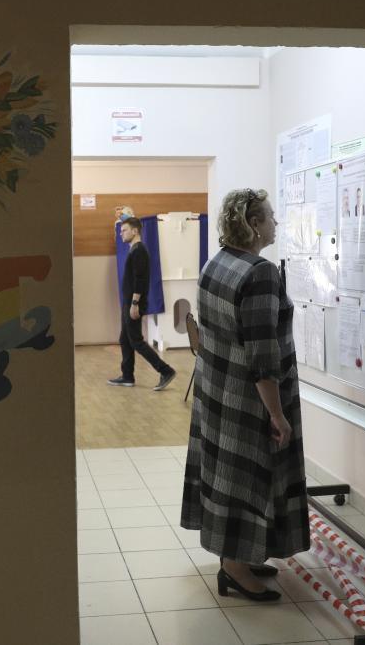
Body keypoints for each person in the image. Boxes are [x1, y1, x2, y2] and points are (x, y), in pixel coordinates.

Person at [181, 188, 309, 602]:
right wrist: (277, 414)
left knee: (224, 476)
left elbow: (211, 333)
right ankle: (235, 570)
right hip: (248, 399)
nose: (276, 223)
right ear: (254, 225)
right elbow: (262, 354)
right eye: (271, 217)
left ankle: (239, 555)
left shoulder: (217, 262)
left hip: (217, 391)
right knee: (248, 479)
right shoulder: (260, 273)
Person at [107, 217, 177, 391]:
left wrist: (134, 303)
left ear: (135, 231)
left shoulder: (139, 251)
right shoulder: (134, 250)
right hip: (129, 302)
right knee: (125, 339)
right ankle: (127, 376)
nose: (121, 233)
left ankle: (166, 371)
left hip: (133, 303)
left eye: (124, 230)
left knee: (136, 341)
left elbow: (140, 279)